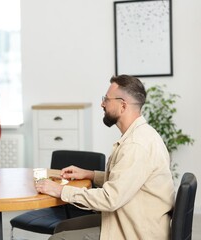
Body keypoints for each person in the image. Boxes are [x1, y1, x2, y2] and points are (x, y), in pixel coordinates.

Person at [35, 75, 175, 240]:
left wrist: (60, 190)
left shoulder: (136, 145)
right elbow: (126, 181)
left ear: (123, 105)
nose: (102, 104)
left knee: (58, 238)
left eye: (106, 100)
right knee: (62, 227)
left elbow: (110, 199)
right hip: (129, 218)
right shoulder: (139, 135)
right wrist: (90, 174)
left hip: (137, 232)